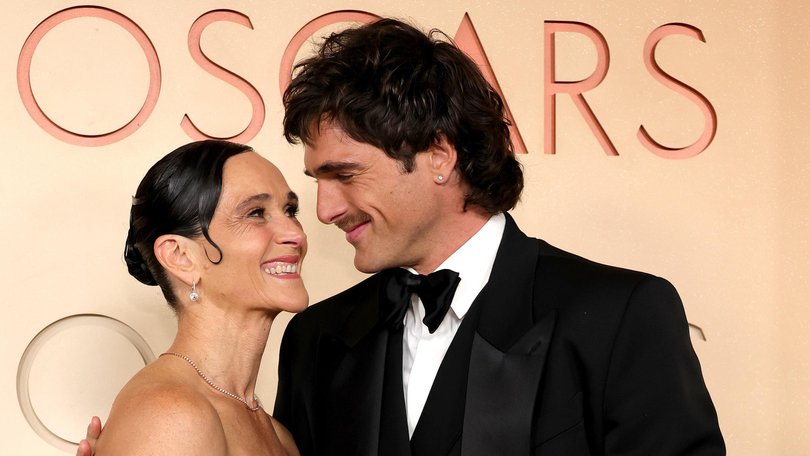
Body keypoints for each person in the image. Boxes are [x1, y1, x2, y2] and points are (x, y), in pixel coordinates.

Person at [80, 18, 725, 456]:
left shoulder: (621, 316)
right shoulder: (316, 341)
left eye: (344, 175)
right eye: (313, 186)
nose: (323, 213)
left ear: (439, 156)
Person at [79, 140, 305, 455]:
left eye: (290, 210)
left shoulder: (278, 435)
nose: (296, 234)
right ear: (181, 256)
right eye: (256, 213)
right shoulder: (171, 415)